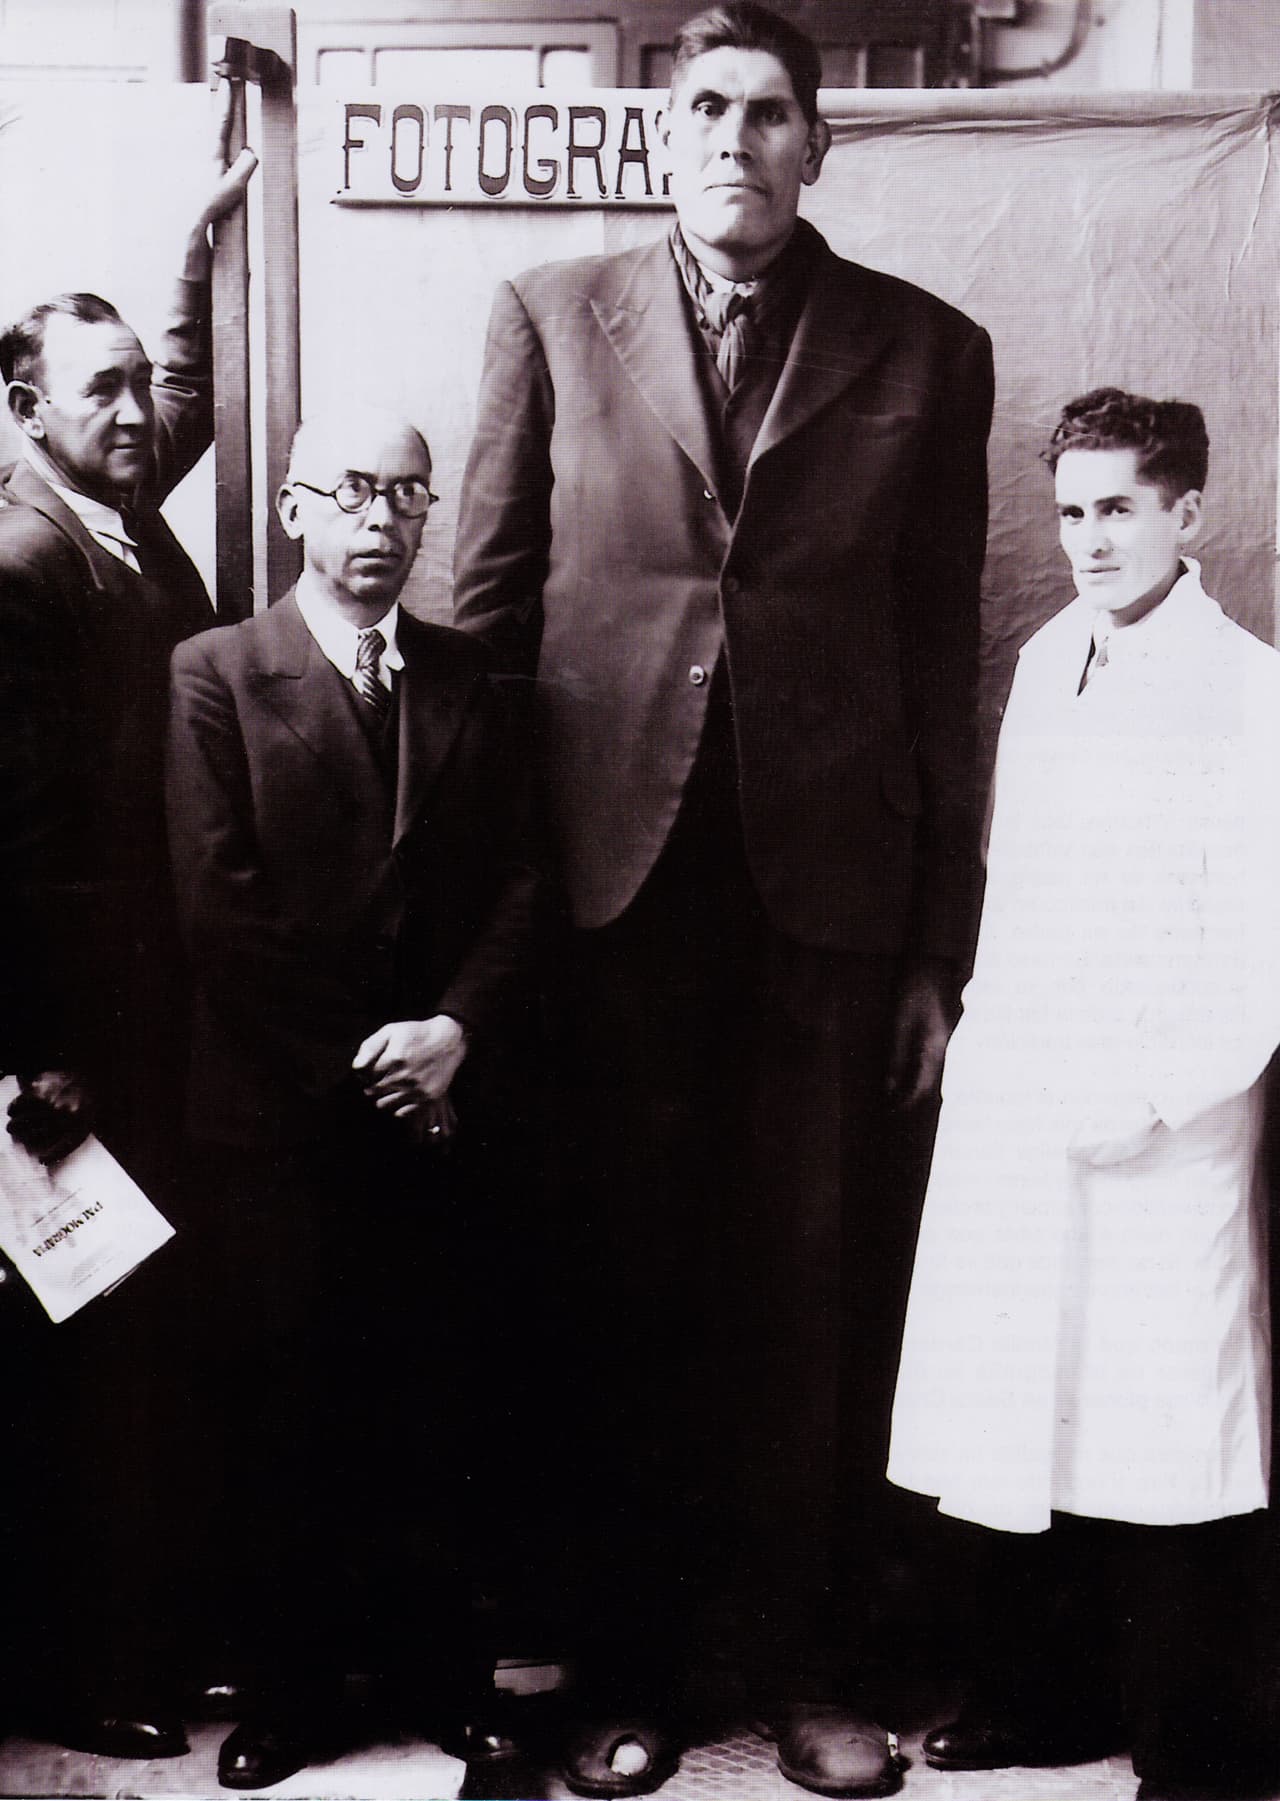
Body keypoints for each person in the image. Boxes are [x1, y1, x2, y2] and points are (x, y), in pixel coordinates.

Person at [453, 5, 993, 1795]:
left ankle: (810, 1670)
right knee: (627, 1284)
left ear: (816, 146)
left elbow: (938, 658)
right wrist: (483, 945)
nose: (734, 140)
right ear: (660, 136)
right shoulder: (549, 315)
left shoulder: (927, 346)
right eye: (705, 109)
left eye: (769, 112)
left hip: (828, 902)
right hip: (611, 894)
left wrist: (935, 948)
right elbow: (483, 628)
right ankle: (633, 1671)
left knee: (816, 1294)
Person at [888, 389, 1280, 1801]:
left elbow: (1262, 946)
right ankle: (1044, 1698)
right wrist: (992, 1050)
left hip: (1172, 1113)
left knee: (1168, 1421)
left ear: (1188, 512)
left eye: (1119, 508)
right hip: (1032, 1089)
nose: (1091, 540)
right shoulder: (1052, 658)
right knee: (1028, 1404)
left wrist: (1162, 1097)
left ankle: (1199, 1744)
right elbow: (1017, 885)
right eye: (1071, 511)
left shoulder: (1250, 689)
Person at [165, 408, 545, 1792]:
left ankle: (447, 1682)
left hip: (439, 1108)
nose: (382, 520)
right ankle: (290, 1697)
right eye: (352, 492)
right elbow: (220, 906)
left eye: (407, 495)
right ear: (293, 511)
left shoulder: (471, 675)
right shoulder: (216, 672)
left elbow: (524, 878)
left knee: (435, 1403)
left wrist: (453, 1033)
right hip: (279, 1118)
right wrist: (373, 1071)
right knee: (284, 1411)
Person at [0, 104, 256, 1756]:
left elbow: (187, 399)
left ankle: (135, 1646)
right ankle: (78, 1677)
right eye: (99, 391)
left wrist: (192, 250)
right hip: (71, 1037)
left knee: (142, 1339)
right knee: (80, 1355)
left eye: (137, 386)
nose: (134, 412)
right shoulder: (21, 560)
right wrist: (40, 1049)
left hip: (149, 1007)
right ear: (22, 408)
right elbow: (9, 842)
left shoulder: (117, 513)